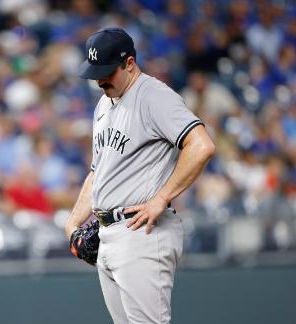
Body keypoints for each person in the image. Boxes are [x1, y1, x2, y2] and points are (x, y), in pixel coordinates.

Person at [65, 28, 215, 324]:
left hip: (142, 232)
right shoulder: (104, 104)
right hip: (109, 234)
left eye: (107, 71)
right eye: (96, 72)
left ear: (129, 63)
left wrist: (161, 198)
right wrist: (72, 222)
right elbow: (99, 170)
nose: (100, 80)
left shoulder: (154, 96)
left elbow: (201, 145)